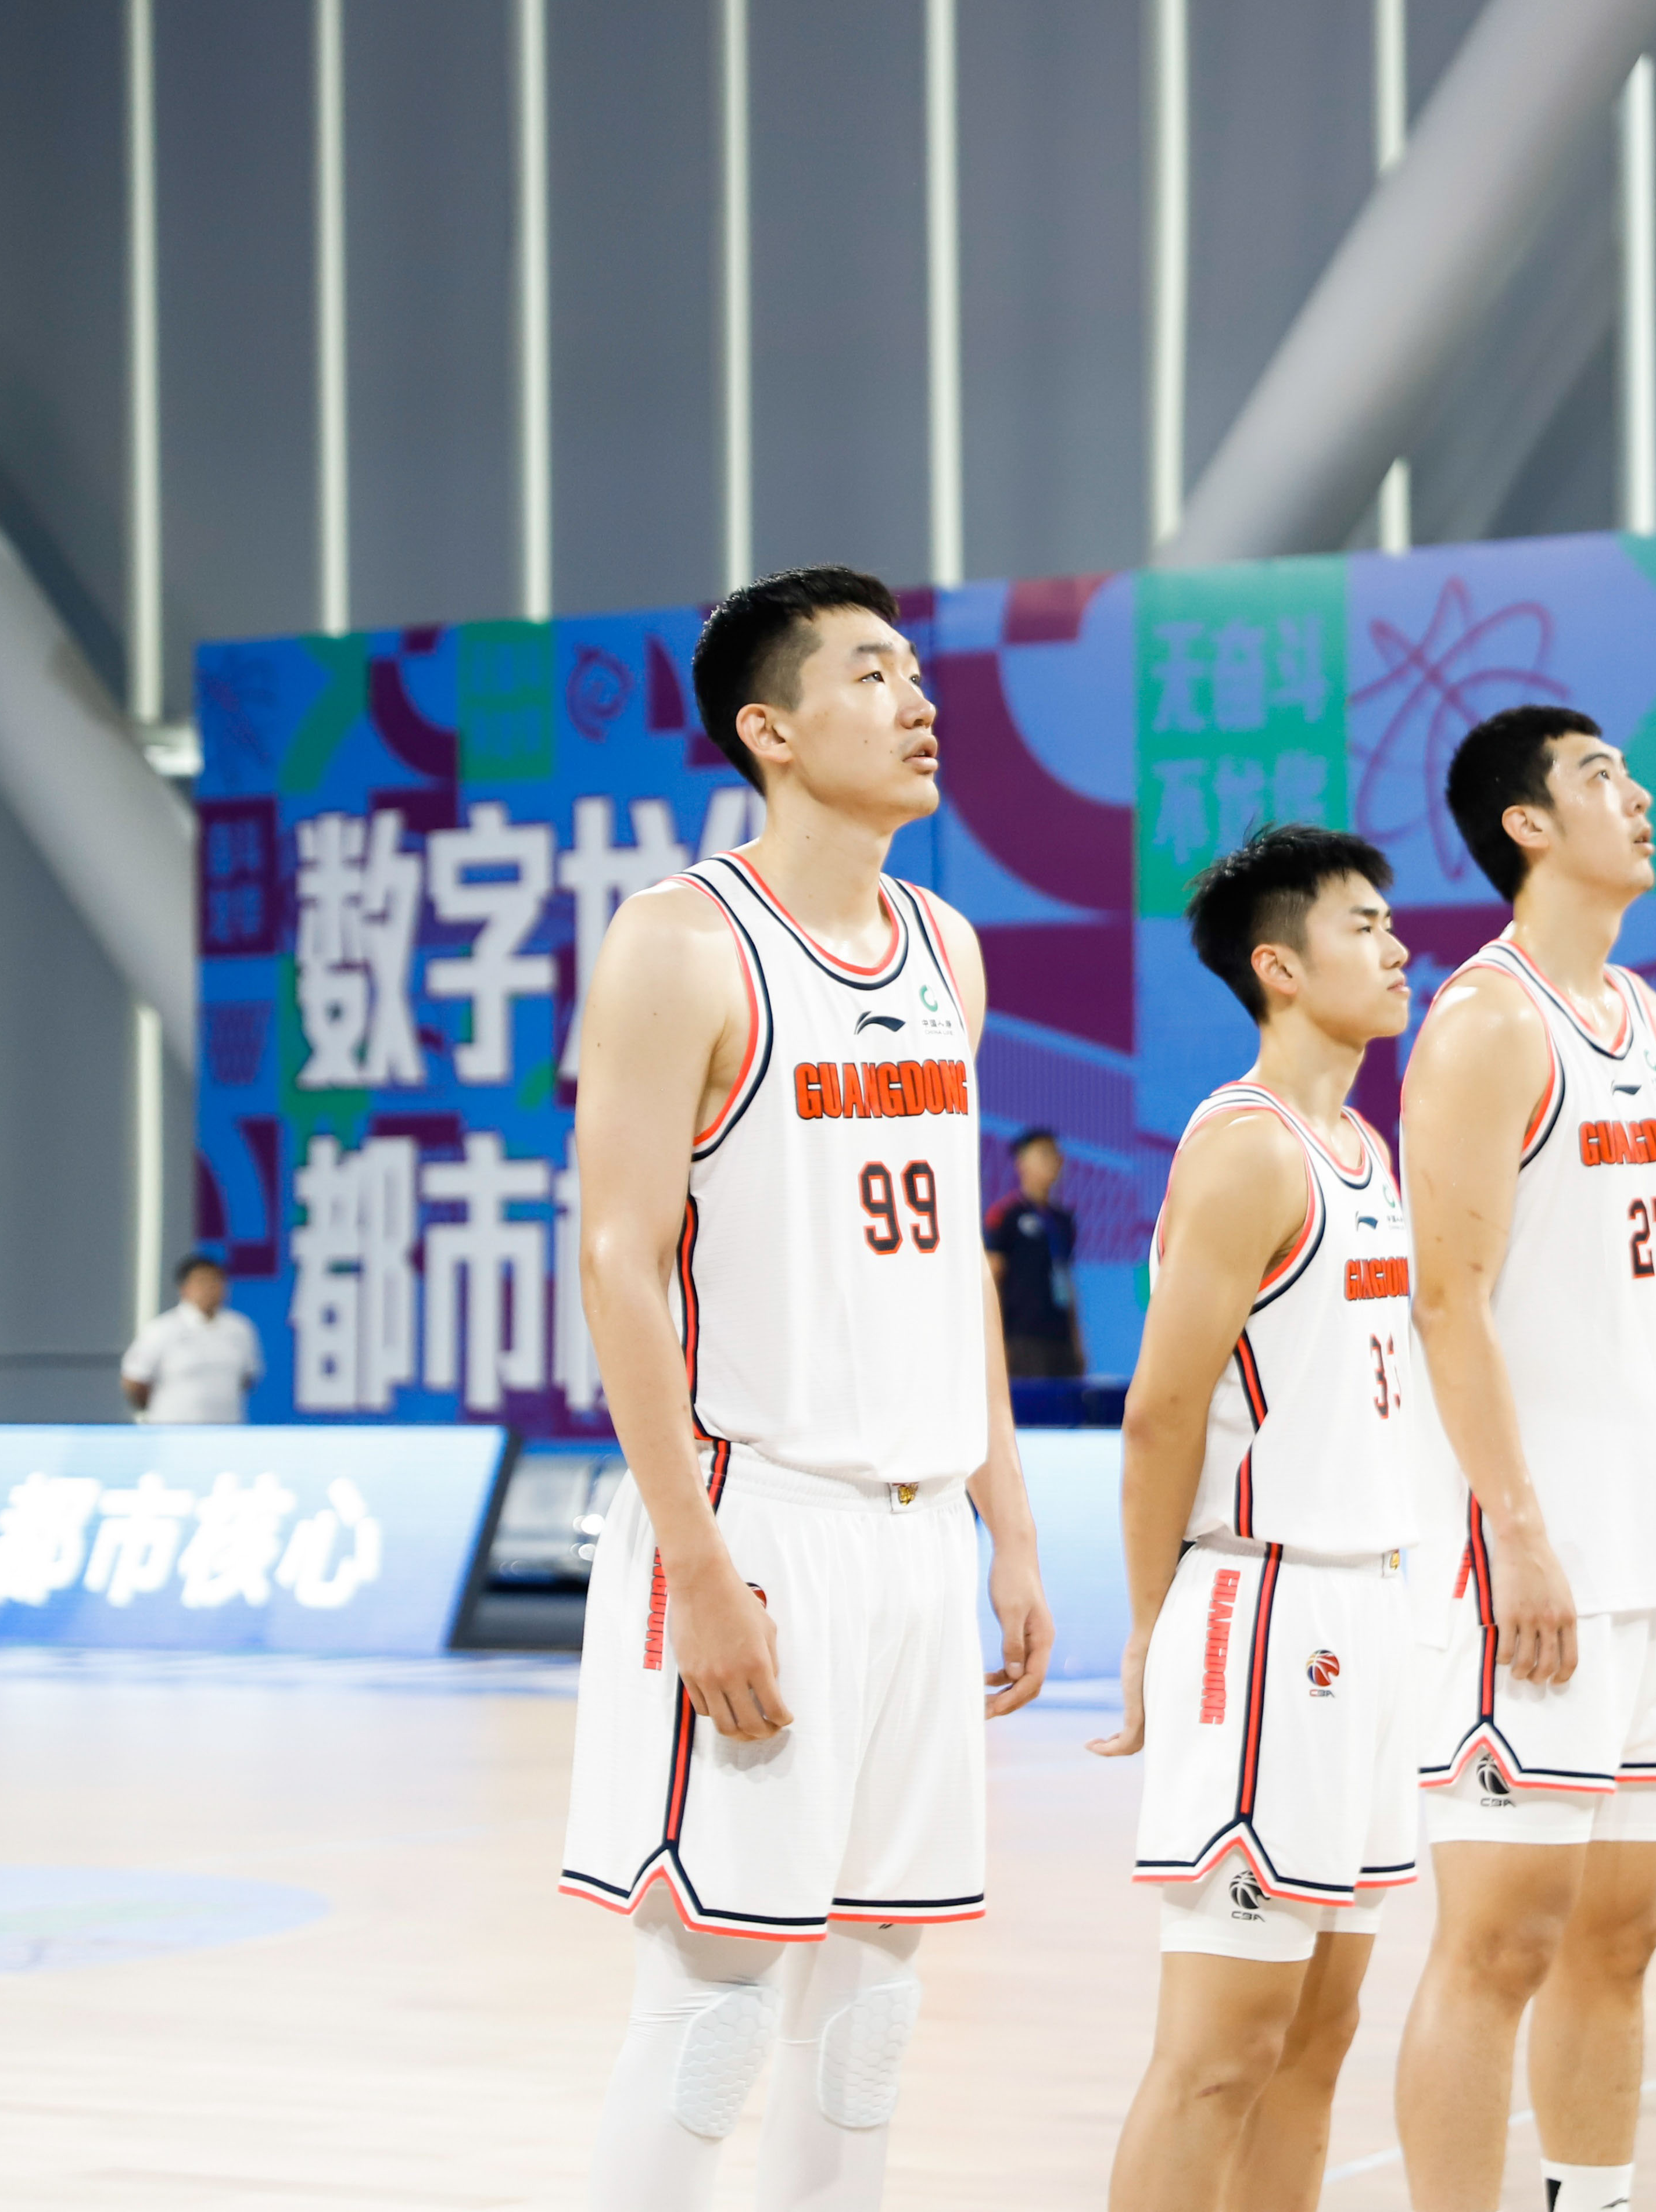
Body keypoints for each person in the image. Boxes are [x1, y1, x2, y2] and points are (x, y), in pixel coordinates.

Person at [556, 566, 1055, 2212]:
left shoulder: (947, 950)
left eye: (915, 671)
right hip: (755, 1523)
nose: (919, 701)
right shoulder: (679, 941)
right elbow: (620, 1262)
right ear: (770, 729)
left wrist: (1007, 1522)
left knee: (871, 2020)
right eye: (870, 674)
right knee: (712, 2016)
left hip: (917, 1534)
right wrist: (698, 1568)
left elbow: (953, 1261)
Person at [1395, 708, 1656, 2212]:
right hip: (1533, 1563)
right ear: (1527, 825)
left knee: (1623, 1933)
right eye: (1601, 776)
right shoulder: (1488, 1022)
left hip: (1653, 1547)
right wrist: (1518, 1530)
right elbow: (1446, 1299)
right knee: (1500, 1944)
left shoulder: (1645, 1019)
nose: (1640, 794)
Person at [1098, 827, 1425, 2210]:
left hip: (1370, 1604)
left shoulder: (1363, 1145)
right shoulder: (1247, 1147)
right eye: (1364, 924)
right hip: (1268, 1607)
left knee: (1316, 2036)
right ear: (1279, 966)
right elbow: (1160, 1412)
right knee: (1220, 2052)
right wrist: (1152, 1628)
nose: (1399, 945)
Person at [985, 1127, 1086, 1380]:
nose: (1053, 1162)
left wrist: (1077, 1342)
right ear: (1021, 1164)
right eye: (1043, 1154)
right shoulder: (1006, 1215)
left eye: (1056, 1155)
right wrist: (997, 1345)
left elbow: (1066, 1280)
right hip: (1022, 1339)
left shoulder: (1063, 1220)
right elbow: (992, 1279)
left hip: (1060, 1338)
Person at [120, 1254, 265, 1424]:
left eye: (216, 1281)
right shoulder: (162, 1329)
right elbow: (135, 1381)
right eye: (202, 1281)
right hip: (173, 1431)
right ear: (184, 1288)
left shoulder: (240, 1328)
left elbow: (247, 1379)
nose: (210, 1288)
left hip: (227, 1430)